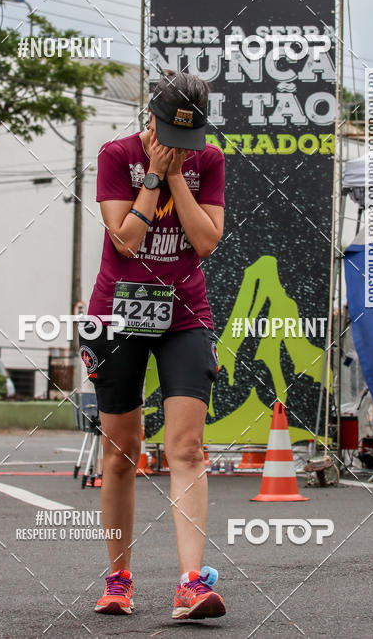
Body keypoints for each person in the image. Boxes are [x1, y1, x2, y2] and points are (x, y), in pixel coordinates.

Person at [83, 70, 226, 620]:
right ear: (151, 117)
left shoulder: (207, 161)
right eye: (171, 134)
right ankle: (118, 578)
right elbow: (125, 237)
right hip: (116, 311)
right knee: (121, 450)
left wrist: (178, 179)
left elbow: (207, 241)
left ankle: (192, 582)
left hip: (184, 314)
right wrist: (152, 181)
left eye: (188, 139)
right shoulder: (115, 154)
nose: (179, 148)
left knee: (186, 447)